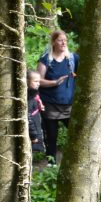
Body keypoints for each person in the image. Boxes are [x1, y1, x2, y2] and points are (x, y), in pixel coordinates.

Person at [37, 30, 79, 162]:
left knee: (77, 132)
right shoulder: (46, 59)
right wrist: (54, 82)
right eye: (60, 40)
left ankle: (75, 159)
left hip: (69, 104)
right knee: (52, 136)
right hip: (50, 104)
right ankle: (51, 163)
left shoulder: (72, 59)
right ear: (54, 42)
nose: (64, 42)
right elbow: (38, 80)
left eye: (65, 40)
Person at [27, 70, 45, 156]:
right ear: (27, 81)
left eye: (39, 81)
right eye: (35, 81)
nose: (38, 84)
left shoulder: (34, 93)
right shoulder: (29, 97)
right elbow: (28, 117)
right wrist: (33, 135)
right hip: (31, 134)